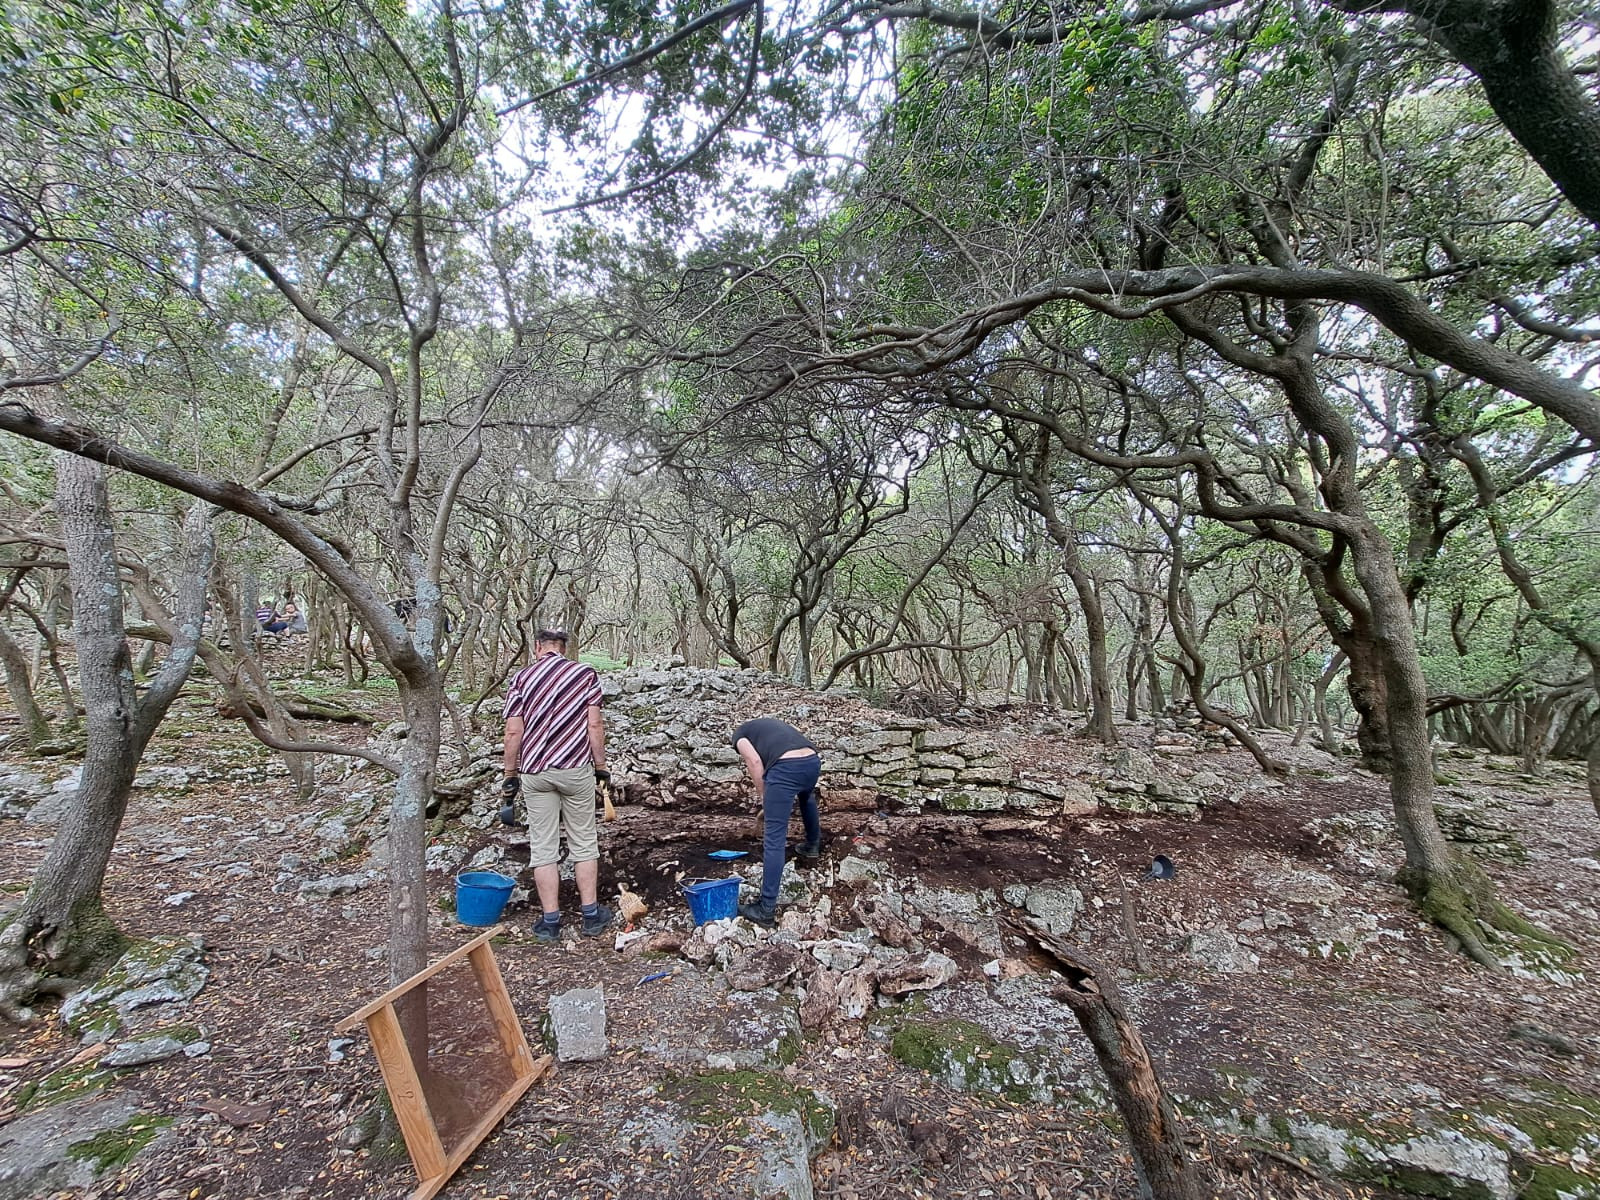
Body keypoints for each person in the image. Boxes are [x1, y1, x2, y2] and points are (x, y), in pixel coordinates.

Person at [501, 629, 614, 943]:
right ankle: (590, 915)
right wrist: (601, 766)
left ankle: (550, 922)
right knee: (584, 842)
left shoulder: (522, 679)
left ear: (537, 647)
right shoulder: (585, 674)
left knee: (543, 847)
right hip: (575, 768)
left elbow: (513, 731)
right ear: (564, 648)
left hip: (535, 771)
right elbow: (594, 724)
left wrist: (510, 772)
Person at [732, 717, 822, 928]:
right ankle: (812, 845)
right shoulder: (768, 726)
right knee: (806, 796)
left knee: (774, 838)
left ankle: (765, 910)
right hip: (812, 762)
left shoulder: (739, 735)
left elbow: (754, 761)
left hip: (786, 768)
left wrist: (765, 796)